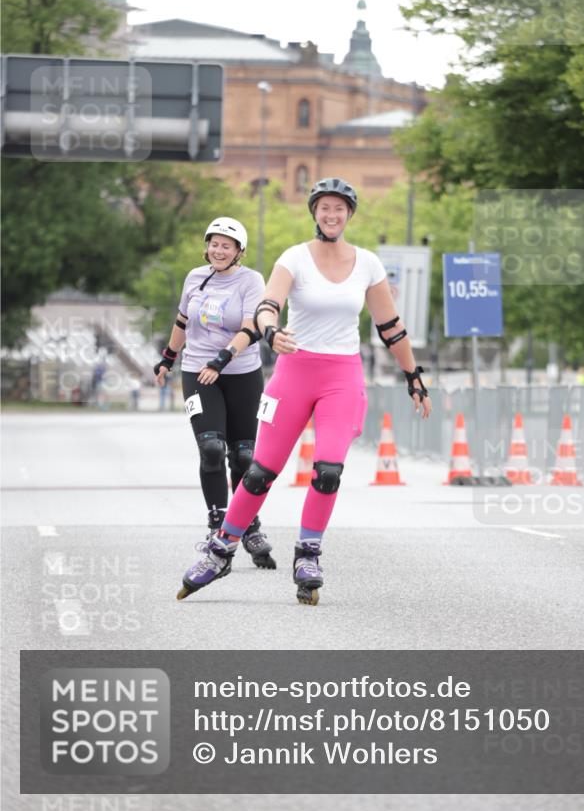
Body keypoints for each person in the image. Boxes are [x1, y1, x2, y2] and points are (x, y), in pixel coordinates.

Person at [178, 178, 432, 605]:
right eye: (324, 208)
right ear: (314, 212)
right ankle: (221, 550)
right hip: (294, 372)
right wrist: (271, 330)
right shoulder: (294, 257)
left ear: (349, 214)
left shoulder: (368, 263)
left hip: (342, 377)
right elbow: (267, 305)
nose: (331, 215)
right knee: (259, 472)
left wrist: (414, 376)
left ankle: (308, 555)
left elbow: (390, 327)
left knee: (328, 471)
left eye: (339, 209)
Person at [154, 217, 275, 569]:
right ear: (206, 246)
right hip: (196, 372)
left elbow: (251, 327)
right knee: (210, 448)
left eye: (227, 245)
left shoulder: (251, 281)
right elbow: (181, 322)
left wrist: (221, 360)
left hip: (241, 373)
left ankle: (248, 525)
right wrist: (167, 359)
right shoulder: (194, 277)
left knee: (243, 456)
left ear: (240, 252)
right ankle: (217, 524)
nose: (218, 250)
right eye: (214, 244)